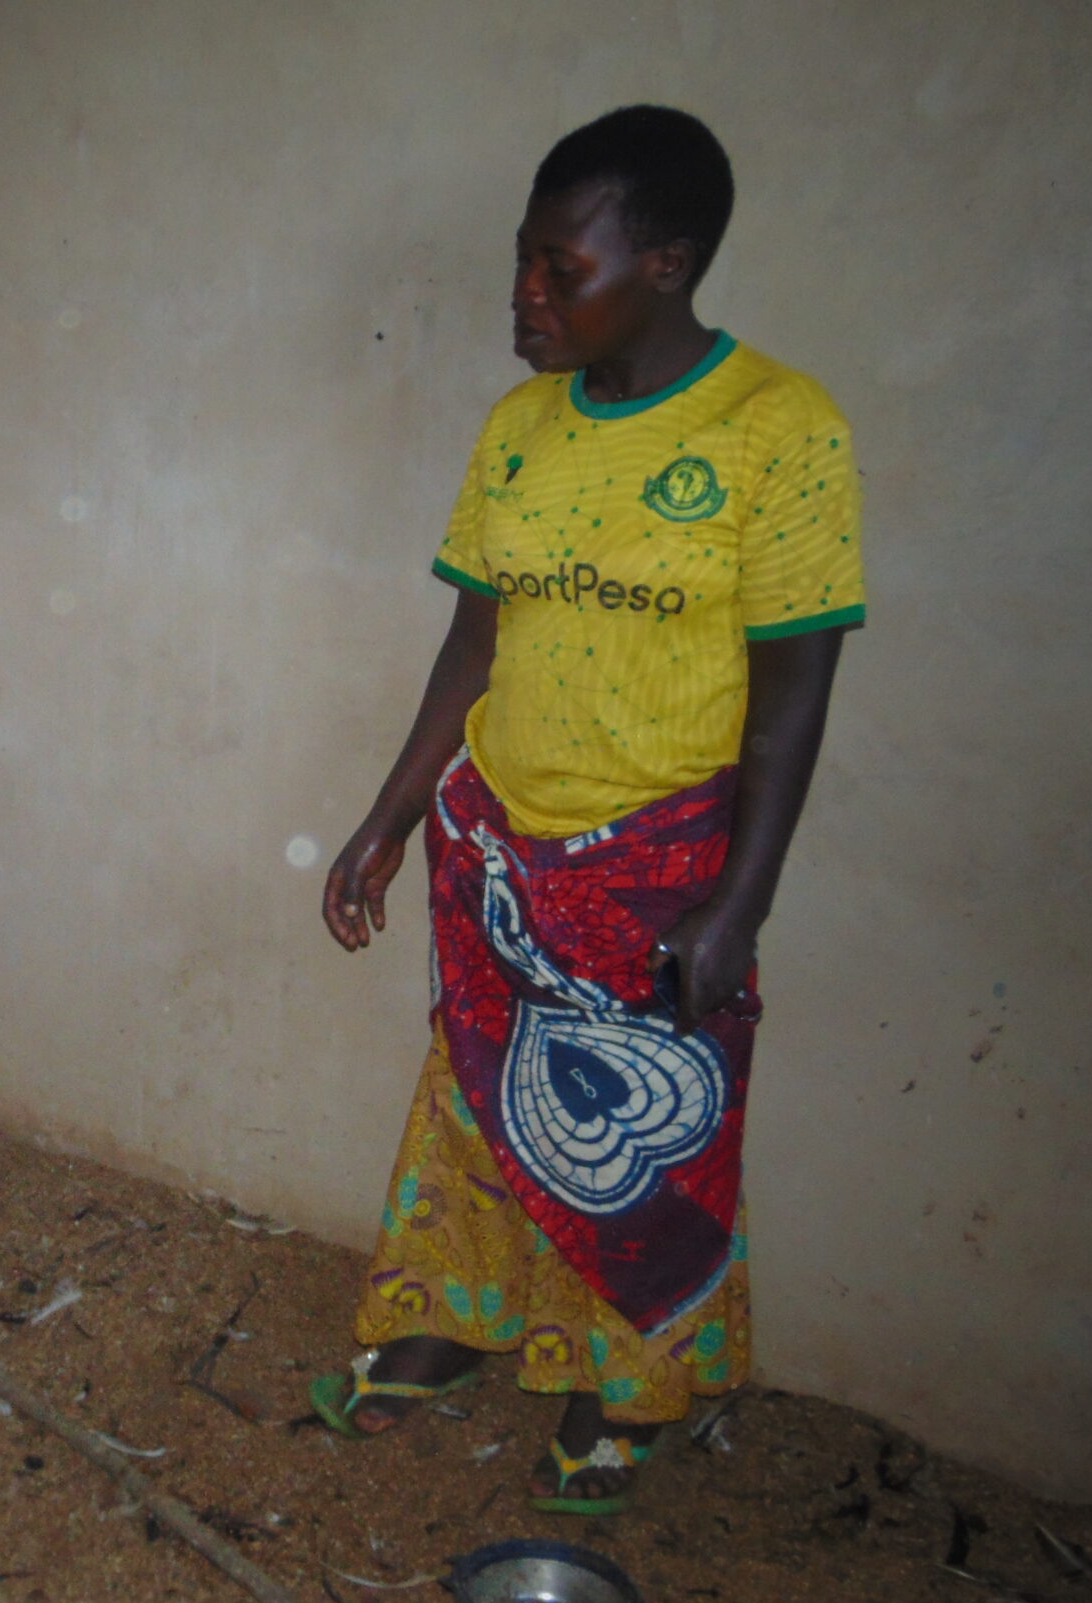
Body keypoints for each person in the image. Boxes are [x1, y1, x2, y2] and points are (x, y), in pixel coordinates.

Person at [313, 106, 864, 1515]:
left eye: (562, 269)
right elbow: (473, 645)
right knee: (481, 1094)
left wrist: (740, 904)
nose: (526, 295)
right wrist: (390, 818)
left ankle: (626, 1388)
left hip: (659, 867)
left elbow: (795, 695)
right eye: (524, 261)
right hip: (499, 846)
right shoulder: (520, 429)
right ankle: (454, 1319)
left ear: (667, 263)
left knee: (643, 1144)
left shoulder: (777, 429)